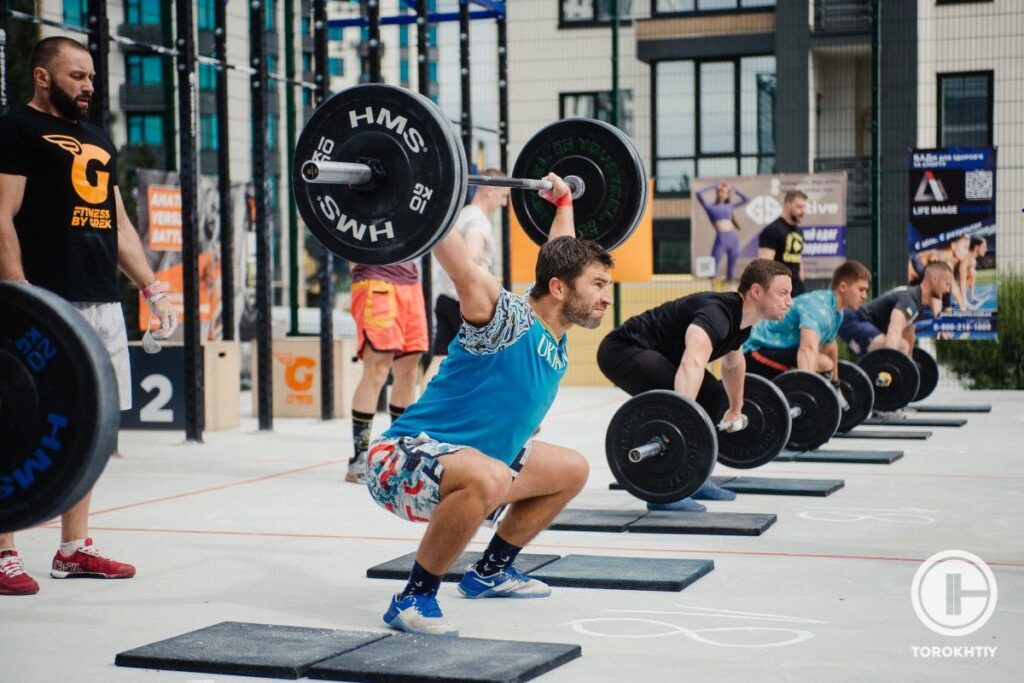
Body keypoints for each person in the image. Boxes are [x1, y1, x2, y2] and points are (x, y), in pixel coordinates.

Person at [365, 174, 611, 637]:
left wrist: (563, 203)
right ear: (560, 290)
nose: (606, 296)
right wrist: (420, 198)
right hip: (401, 460)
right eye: (598, 285)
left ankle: (491, 571)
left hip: (473, 463)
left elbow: (560, 257)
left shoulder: (555, 337)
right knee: (491, 475)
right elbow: (462, 267)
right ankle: (414, 597)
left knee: (572, 468)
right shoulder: (506, 320)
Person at [0, 37, 176, 595]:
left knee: (90, 427)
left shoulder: (97, 138)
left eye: (93, 78)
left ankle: (73, 548)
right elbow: (0, 217)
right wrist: (21, 298)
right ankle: (3, 549)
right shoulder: (16, 128)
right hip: (43, 301)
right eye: (77, 76)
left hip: (100, 301)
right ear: (44, 77)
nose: (89, 86)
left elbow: (118, 224)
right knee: (16, 423)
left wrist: (153, 289)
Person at [597, 259, 793, 512]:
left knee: (713, 399)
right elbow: (691, 364)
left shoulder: (741, 324)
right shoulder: (717, 314)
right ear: (756, 291)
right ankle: (665, 492)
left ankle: (695, 479)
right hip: (623, 349)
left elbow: (733, 366)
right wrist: (682, 423)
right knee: (678, 400)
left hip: (660, 356)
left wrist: (735, 408)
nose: (789, 301)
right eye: (783, 293)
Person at [346, 254, 430, 484]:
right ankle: (359, 459)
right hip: (375, 278)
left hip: (410, 280)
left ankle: (398, 454)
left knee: (409, 368)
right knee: (377, 368)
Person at [421, 168, 508, 388]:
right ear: (489, 190)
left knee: (441, 359)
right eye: (504, 195)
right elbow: (471, 256)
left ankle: (424, 411)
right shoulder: (479, 220)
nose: (505, 203)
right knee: (489, 362)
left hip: (446, 297)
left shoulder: (461, 215)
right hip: (466, 301)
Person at [744, 260, 871, 384]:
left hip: (776, 352)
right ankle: (801, 397)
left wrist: (836, 383)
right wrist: (807, 391)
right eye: (861, 289)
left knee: (825, 363)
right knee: (822, 363)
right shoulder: (819, 308)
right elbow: (807, 349)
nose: (865, 296)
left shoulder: (836, 313)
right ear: (843, 287)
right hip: (754, 352)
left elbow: (830, 347)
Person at [838, 261, 953, 358]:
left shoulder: (918, 305)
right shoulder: (909, 299)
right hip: (853, 321)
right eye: (947, 284)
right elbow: (894, 330)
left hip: (867, 327)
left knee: (903, 346)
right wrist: (891, 364)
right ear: (934, 279)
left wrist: (910, 366)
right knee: (896, 348)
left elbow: (909, 335)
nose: (948, 290)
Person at [694, 181, 749, 280]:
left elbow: (746, 199)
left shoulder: (729, 206)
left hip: (733, 239)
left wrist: (733, 189)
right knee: (713, 269)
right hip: (721, 239)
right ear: (717, 193)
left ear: (727, 195)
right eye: (720, 191)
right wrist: (714, 186)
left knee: (731, 270)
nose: (722, 193)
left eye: (724, 192)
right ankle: (711, 293)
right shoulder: (710, 207)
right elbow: (698, 194)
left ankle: (730, 293)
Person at [758, 190, 807, 296]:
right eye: (799, 207)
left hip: (798, 289)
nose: (803, 211)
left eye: (804, 207)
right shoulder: (772, 230)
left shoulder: (799, 231)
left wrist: (801, 279)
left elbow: (799, 257)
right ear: (787, 204)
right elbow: (765, 266)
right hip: (780, 291)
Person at [964, 236, 988, 307]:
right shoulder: (967, 257)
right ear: (976, 247)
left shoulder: (973, 259)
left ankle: (972, 296)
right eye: (984, 247)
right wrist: (963, 299)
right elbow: (962, 280)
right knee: (971, 272)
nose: (986, 249)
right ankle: (963, 298)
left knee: (973, 272)